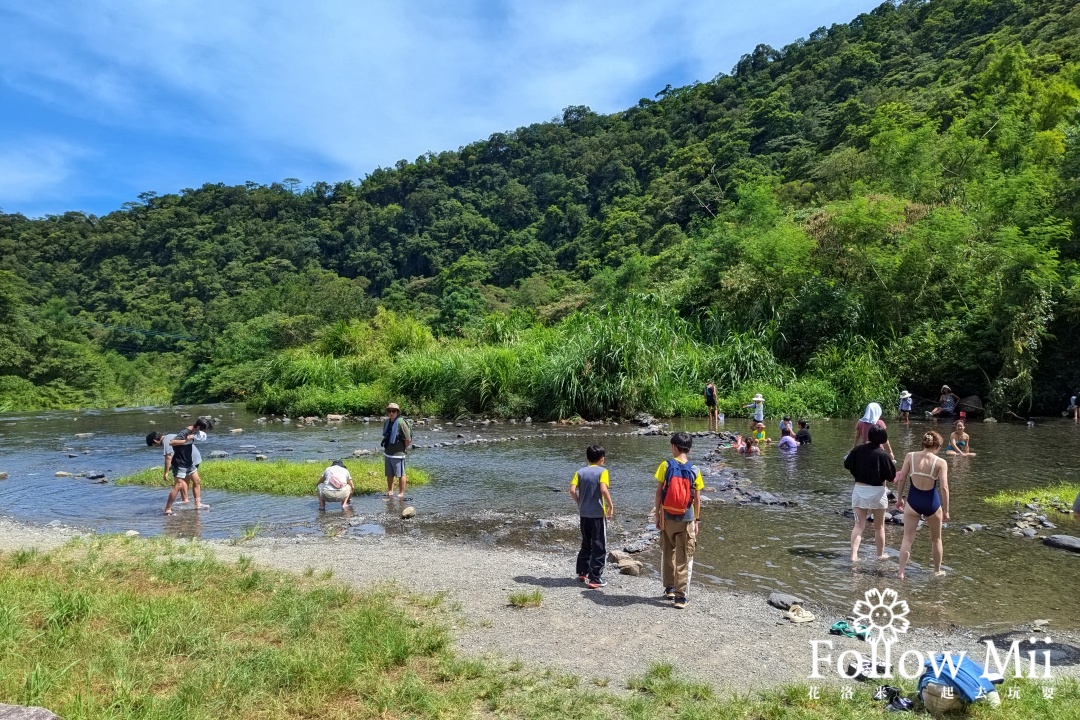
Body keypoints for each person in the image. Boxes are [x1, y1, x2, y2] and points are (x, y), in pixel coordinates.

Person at [654, 432, 703, 609]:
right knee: (684, 557)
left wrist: (657, 515)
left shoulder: (665, 465)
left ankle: (669, 589)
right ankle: (681, 598)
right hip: (686, 518)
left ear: (674, 447)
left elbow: (659, 492)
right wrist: (696, 520)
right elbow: (697, 499)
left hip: (667, 517)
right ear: (689, 449)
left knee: (668, 552)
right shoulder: (695, 469)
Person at [894, 431, 951, 579]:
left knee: (907, 538)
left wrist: (899, 499)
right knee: (936, 539)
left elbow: (901, 479)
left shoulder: (910, 456)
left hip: (913, 501)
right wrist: (946, 510)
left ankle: (901, 572)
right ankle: (937, 571)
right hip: (931, 502)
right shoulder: (940, 462)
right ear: (937, 446)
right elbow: (944, 488)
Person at [844, 425, 896, 563]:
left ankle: (854, 556)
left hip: (860, 490)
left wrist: (857, 472)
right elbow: (891, 476)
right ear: (882, 439)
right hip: (877, 492)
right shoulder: (883, 455)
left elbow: (847, 464)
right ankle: (880, 555)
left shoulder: (858, 449)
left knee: (859, 525)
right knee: (879, 527)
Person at [569, 445, 614, 589]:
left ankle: (583, 572)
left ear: (587, 458)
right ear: (602, 459)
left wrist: (579, 502)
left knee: (586, 543)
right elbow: (603, 489)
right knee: (599, 545)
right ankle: (595, 578)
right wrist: (611, 506)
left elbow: (571, 490)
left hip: (584, 513)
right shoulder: (603, 471)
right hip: (597, 514)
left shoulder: (580, 472)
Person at [166, 418, 212, 514]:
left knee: (197, 481)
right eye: (204, 430)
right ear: (198, 427)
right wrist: (185, 440)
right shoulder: (185, 432)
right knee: (178, 486)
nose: (204, 432)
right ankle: (167, 509)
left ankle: (197, 504)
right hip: (180, 463)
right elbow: (171, 442)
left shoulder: (194, 432)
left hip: (189, 462)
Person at [145, 431, 190, 507]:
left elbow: (168, 458)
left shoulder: (166, 442)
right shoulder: (171, 435)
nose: (155, 447)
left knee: (179, 482)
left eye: (153, 445)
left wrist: (166, 473)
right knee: (185, 479)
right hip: (189, 457)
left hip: (183, 461)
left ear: (155, 441)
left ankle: (183, 500)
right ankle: (185, 498)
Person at [381, 402, 412, 498]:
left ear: (397, 412)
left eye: (393, 411)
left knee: (401, 474)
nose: (391, 413)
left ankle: (401, 493)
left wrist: (403, 449)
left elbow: (408, 439)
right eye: (389, 411)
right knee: (389, 474)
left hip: (398, 454)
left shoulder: (401, 423)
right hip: (388, 453)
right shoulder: (387, 422)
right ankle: (390, 491)